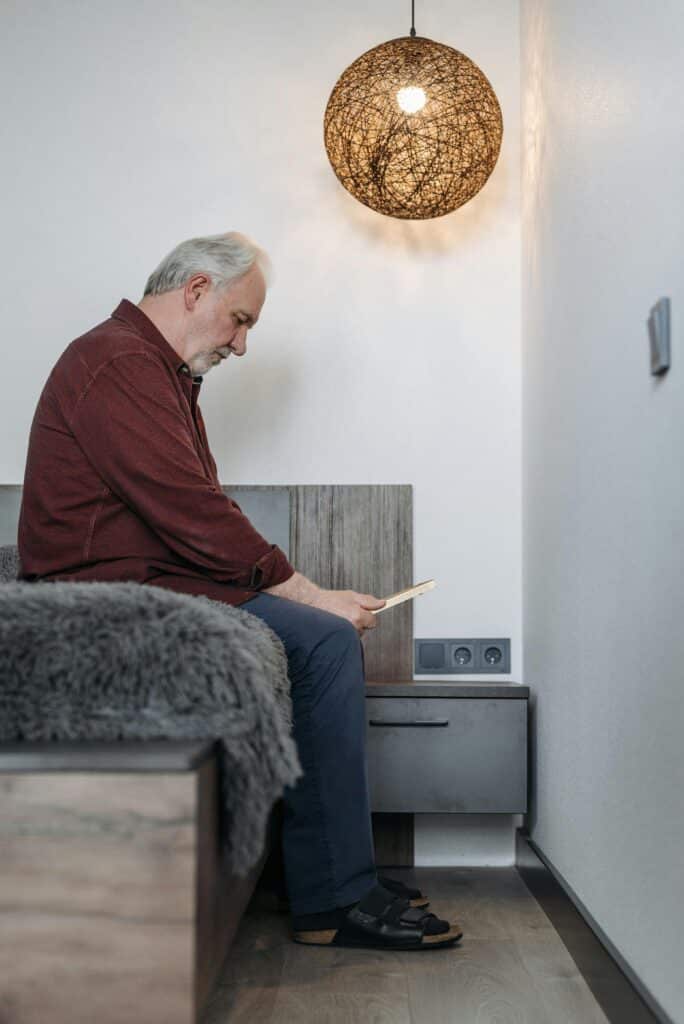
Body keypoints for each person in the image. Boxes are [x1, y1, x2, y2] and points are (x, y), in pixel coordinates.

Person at [17, 231, 462, 950]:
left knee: (309, 625)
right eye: (241, 320)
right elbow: (192, 510)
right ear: (196, 290)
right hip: (108, 594)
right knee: (320, 640)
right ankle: (334, 897)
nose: (242, 345)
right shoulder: (119, 361)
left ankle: (319, 869)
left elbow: (190, 515)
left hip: (150, 578)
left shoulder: (153, 370)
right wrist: (312, 596)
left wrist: (299, 592)